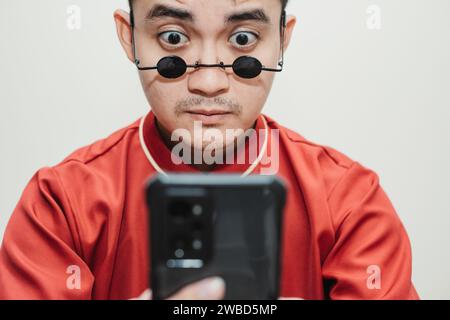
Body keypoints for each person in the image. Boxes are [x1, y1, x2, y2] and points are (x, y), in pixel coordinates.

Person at [0, 0, 419, 299]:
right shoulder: (59, 205)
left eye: (242, 38)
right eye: (173, 37)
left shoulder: (350, 203)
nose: (208, 82)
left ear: (281, 40)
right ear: (129, 38)